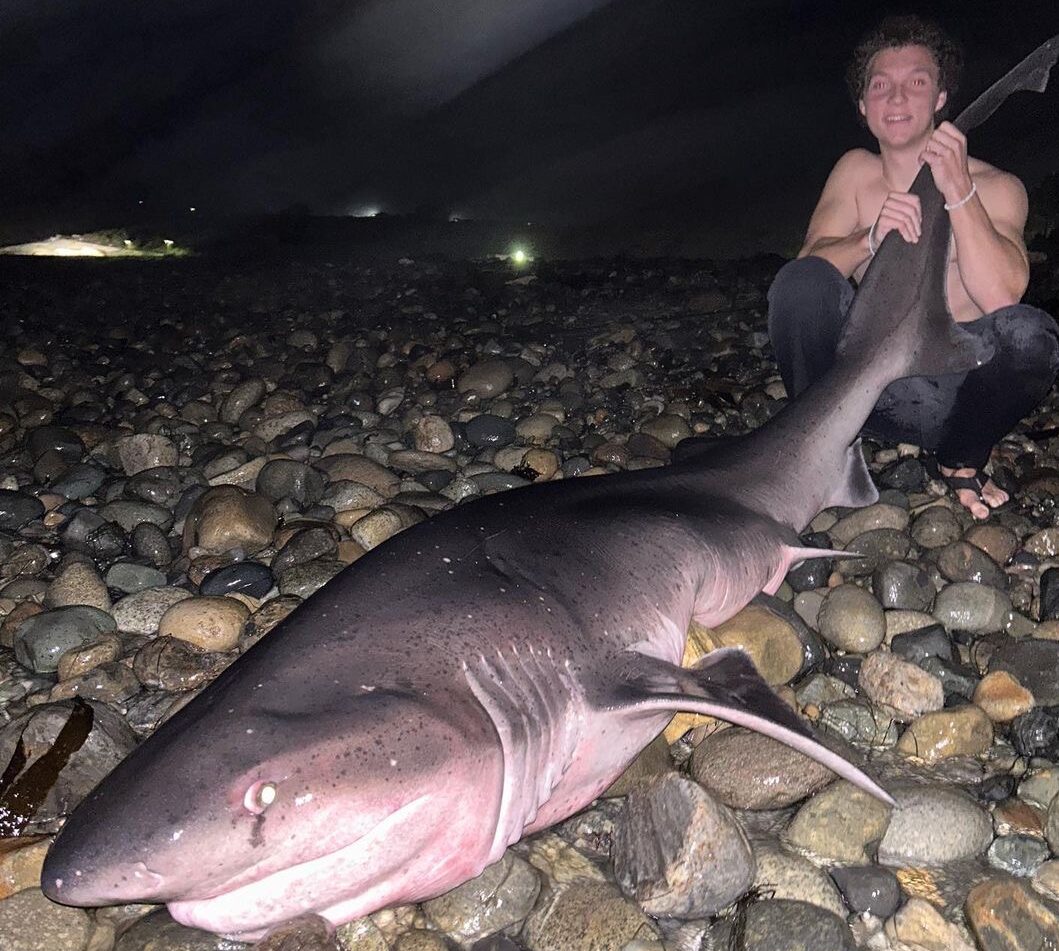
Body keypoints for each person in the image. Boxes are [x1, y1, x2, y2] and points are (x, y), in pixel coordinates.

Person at [768, 15, 1059, 519]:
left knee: (1033, 334)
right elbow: (806, 272)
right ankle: (816, 447)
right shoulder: (855, 173)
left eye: (916, 83)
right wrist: (870, 238)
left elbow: (1001, 298)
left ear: (941, 98)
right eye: (881, 86)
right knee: (800, 284)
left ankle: (961, 460)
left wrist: (958, 191)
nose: (897, 98)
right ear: (863, 106)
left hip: (954, 397)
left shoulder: (998, 187)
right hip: (859, 390)